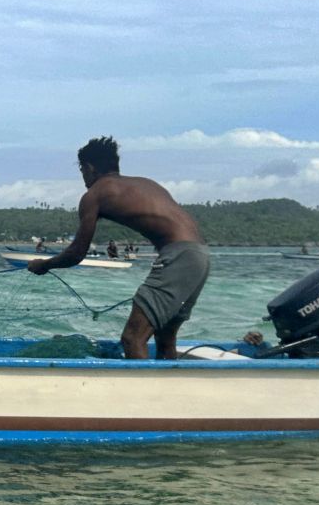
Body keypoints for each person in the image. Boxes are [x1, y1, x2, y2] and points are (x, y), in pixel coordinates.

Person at [28, 136, 209, 360]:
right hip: (200, 256)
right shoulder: (146, 183)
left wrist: (44, 265)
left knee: (133, 338)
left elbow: (76, 253)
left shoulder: (94, 195)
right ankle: (166, 389)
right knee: (165, 337)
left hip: (178, 256)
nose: (83, 177)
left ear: (90, 168)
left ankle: (141, 393)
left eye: (82, 170)